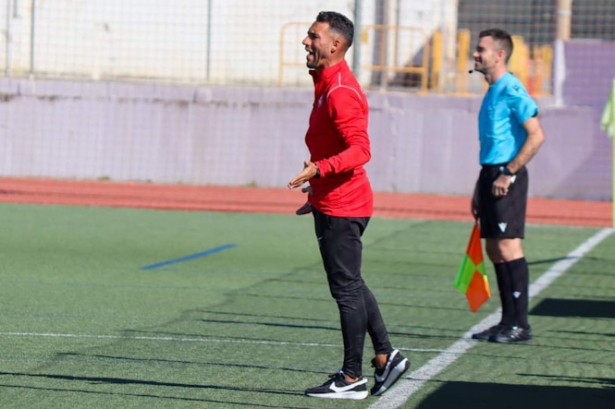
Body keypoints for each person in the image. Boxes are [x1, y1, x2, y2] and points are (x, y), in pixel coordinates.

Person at [287, 11, 410, 400]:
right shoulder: (326, 82)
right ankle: (387, 356)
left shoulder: (339, 90)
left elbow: (361, 150)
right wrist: (318, 193)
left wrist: (319, 171)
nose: (306, 42)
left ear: (335, 45)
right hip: (334, 201)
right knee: (351, 283)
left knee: (346, 290)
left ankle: (352, 376)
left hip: (345, 204)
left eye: (313, 37)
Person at [469, 28, 546, 343]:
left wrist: (509, 172)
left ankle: (520, 325)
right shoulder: (493, 90)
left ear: (499, 55)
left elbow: (537, 135)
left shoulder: (512, 88)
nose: (475, 54)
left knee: (508, 246)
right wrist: (480, 185)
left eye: (481, 49)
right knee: (494, 248)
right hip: (490, 173)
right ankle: (506, 322)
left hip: (506, 176)